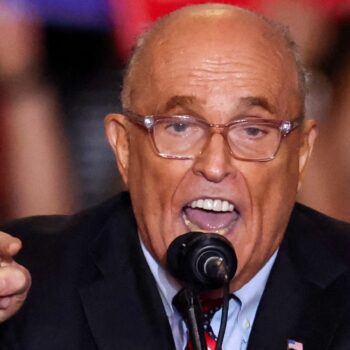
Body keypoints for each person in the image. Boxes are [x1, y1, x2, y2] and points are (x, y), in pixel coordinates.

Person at [0, 3, 350, 349]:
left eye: (253, 131)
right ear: (124, 148)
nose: (215, 165)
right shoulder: (26, 288)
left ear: (302, 153)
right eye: (180, 126)